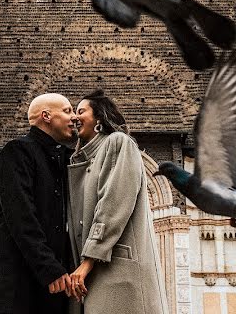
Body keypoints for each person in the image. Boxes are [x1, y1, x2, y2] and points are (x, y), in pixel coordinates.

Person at [0, 93, 78, 314]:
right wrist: (50, 268)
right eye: (67, 111)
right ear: (46, 116)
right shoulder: (17, 152)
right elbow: (20, 216)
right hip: (8, 293)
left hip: (45, 293)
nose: (74, 117)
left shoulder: (62, 160)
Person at [66, 89, 168, 314]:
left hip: (117, 269)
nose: (74, 117)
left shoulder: (118, 143)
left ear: (99, 119)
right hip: (93, 273)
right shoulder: (82, 160)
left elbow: (113, 204)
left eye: (81, 111)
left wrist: (87, 261)